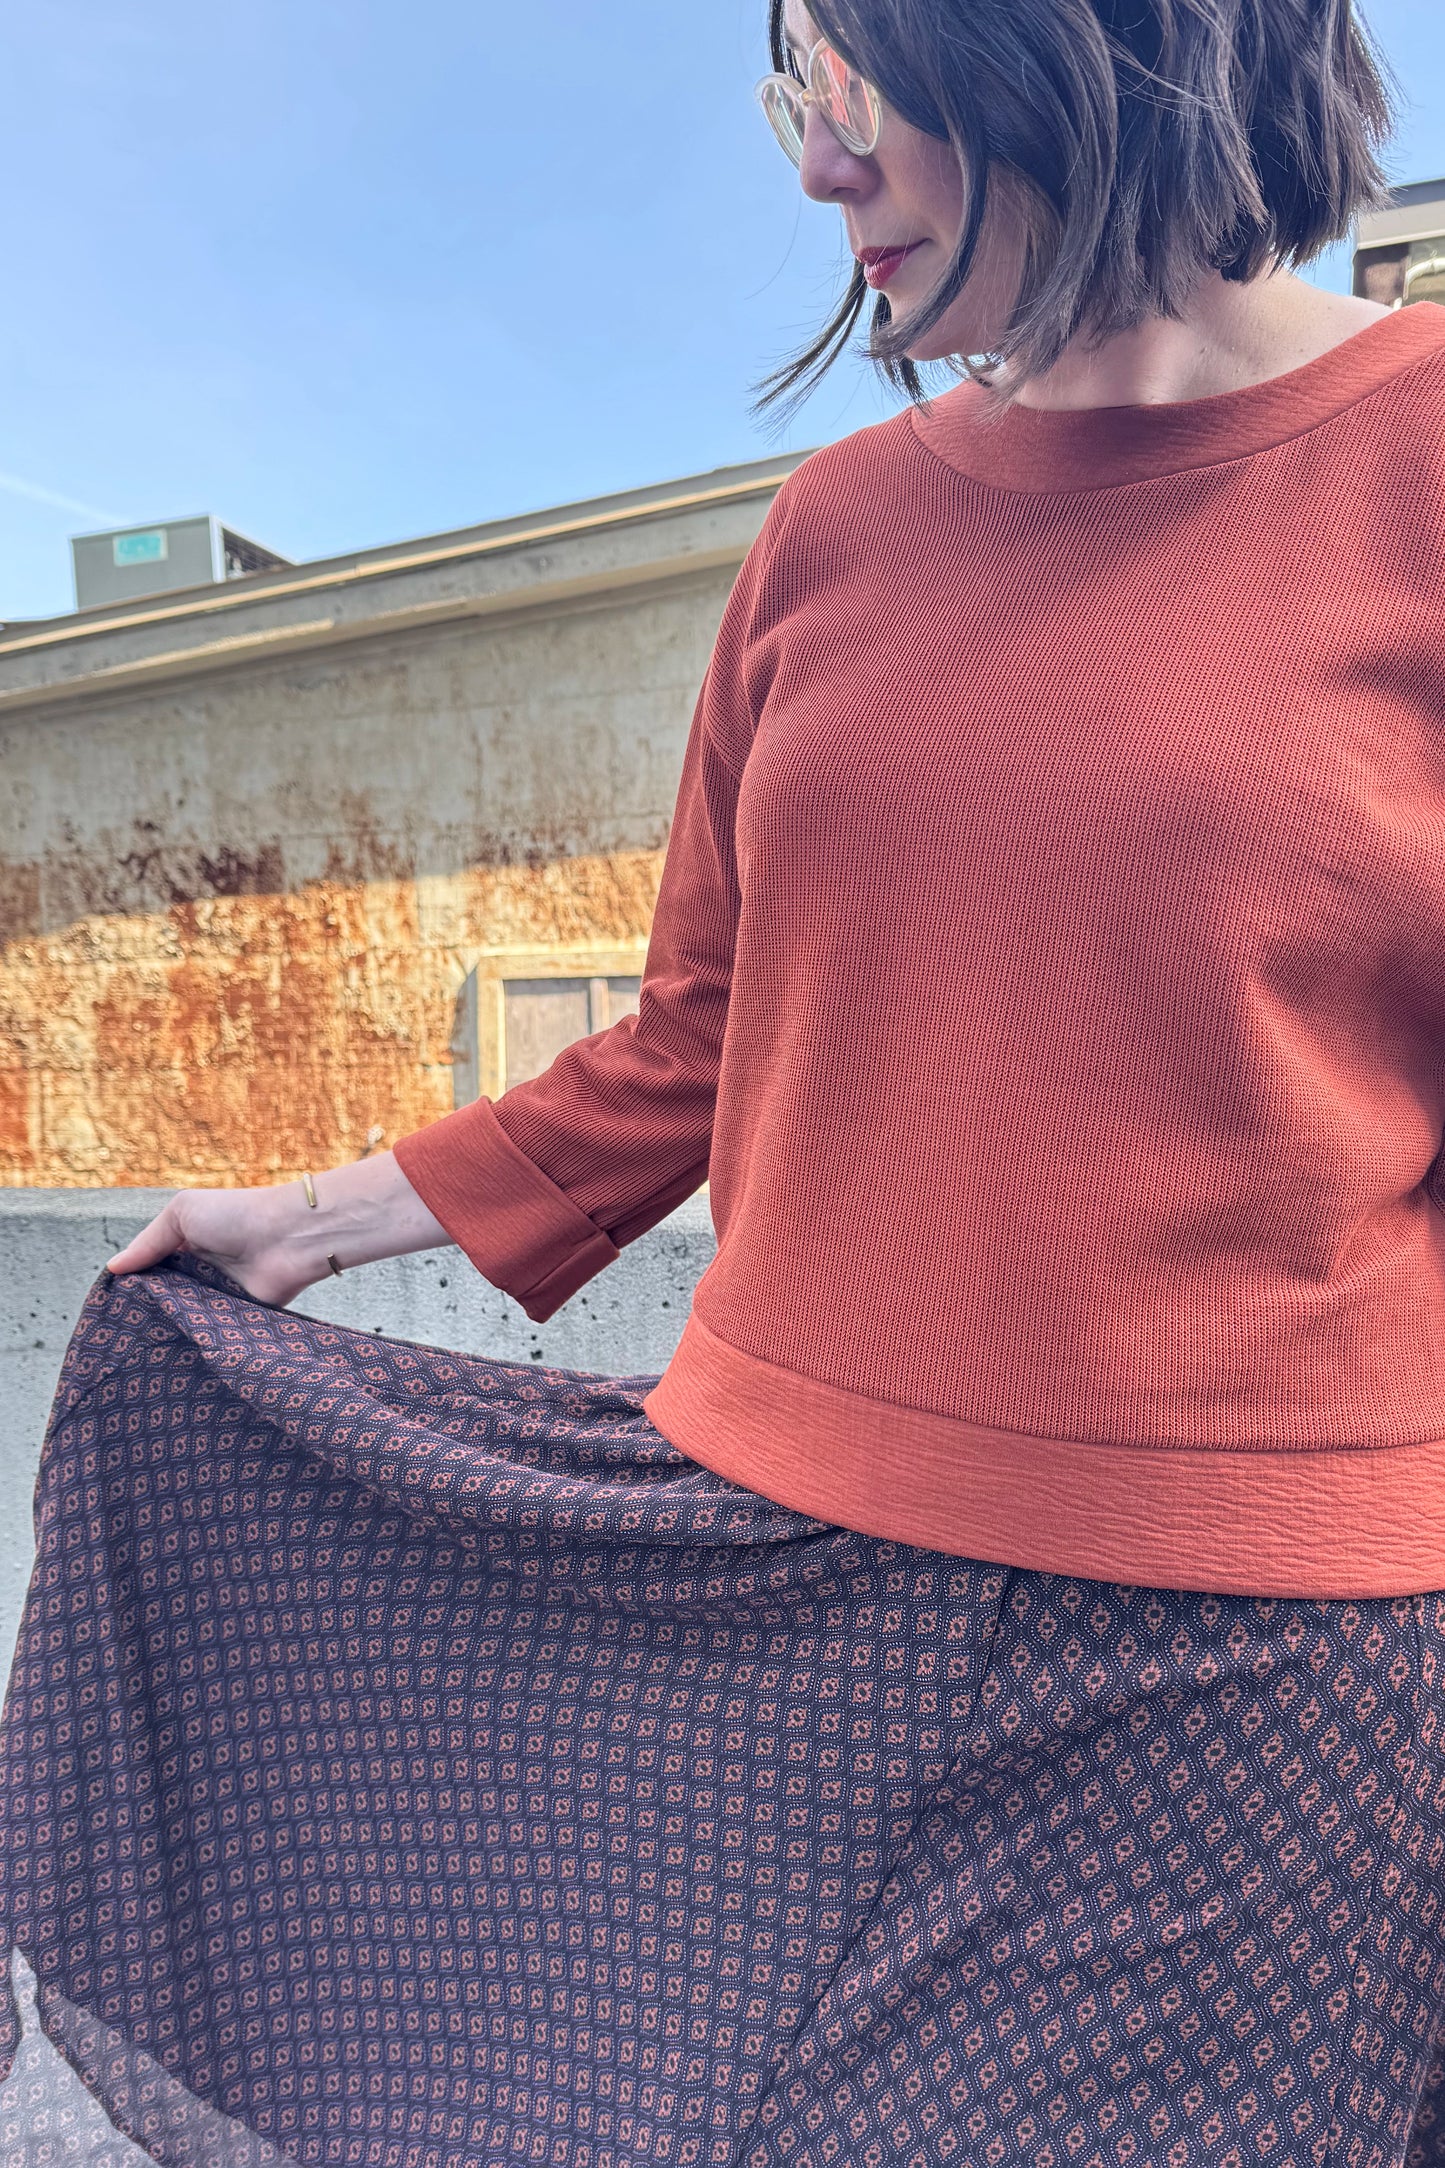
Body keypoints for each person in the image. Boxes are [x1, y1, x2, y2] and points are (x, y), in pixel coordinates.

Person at [7, 0, 1445, 2160]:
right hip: (760, 1593)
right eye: (793, 90)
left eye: (861, 82)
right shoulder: (837, 531)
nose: (814, 168)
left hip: (1252, 1683)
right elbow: (700, 1027)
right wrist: (296, 1223)